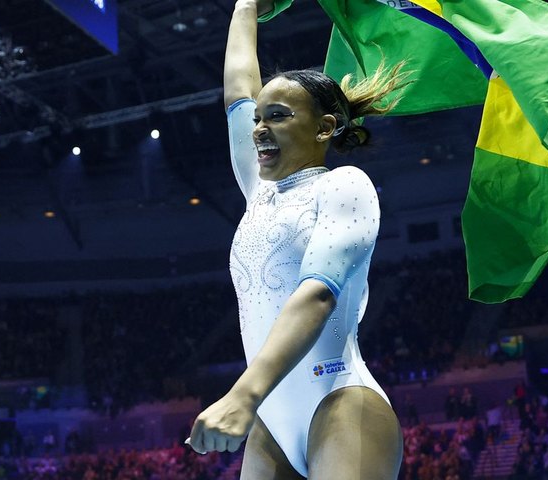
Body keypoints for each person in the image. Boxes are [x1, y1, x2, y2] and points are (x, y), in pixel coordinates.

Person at [186, 0, 407, 478]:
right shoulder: (258, 193)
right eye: (259, 118)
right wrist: (246, 7)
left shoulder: (344, 186)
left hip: (341, 402)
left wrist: (243, 393)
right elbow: (237, 91)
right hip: (272, 421)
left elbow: (317, 294)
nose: (260, 129)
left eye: (279, 116)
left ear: (325, 127)